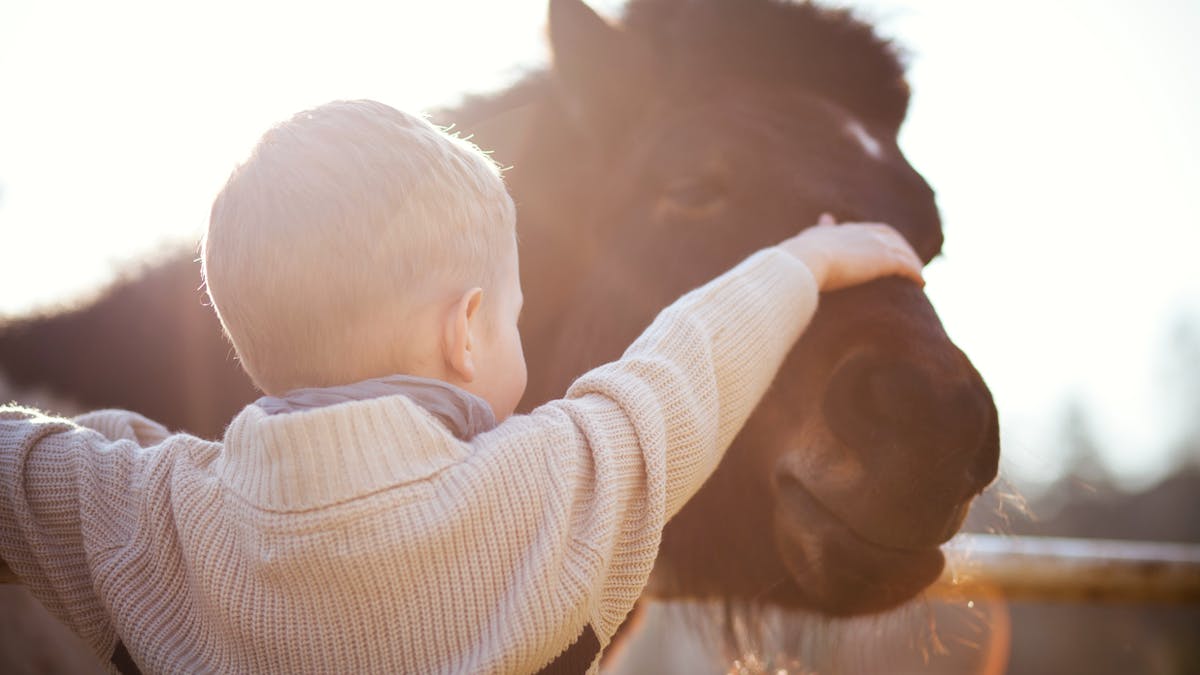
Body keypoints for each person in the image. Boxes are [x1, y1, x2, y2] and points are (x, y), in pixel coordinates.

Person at [0, 100, 924, 674]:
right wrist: (803, 262)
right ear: (465, 329)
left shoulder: (147, 514)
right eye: (514, 317)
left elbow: (23, 462)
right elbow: (682, 368)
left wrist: (127, 449)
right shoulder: (542, 494)